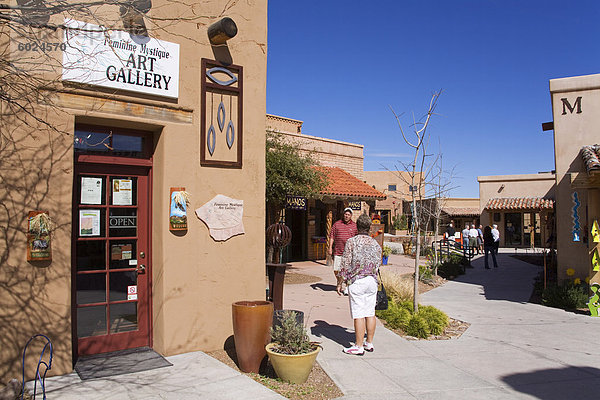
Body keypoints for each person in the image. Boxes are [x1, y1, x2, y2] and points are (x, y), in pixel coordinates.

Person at [337, 213, 381, 355]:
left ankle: (358, 345)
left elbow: (345, 263)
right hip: (372, 281)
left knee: (359, 313)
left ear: (357, 226)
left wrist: (340, 282)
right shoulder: (376, 243)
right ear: (369, 227)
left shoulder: (352, 242)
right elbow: (378, 262)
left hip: (357, 280)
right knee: (370, 312)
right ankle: (369, 342)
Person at [328, 207, 358, 293]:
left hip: (349, 253)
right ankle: (339, 281)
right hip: (338, 251)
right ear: (343, 214)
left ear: (351, 216)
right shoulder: (337, 224)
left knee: (348, 270)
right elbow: (332, 236)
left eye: (348, 214)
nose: (347, 216)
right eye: (345, 214)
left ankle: (343, 285)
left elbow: (357, 238)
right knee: (336, 269)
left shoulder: (354, 226)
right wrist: (330, 248)